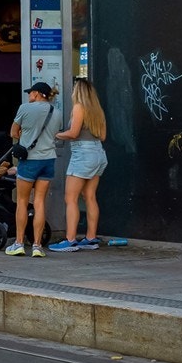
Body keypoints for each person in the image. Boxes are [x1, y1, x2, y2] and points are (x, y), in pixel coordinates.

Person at [50, 77, 108, 252]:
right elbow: (103, 136)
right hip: (98, 153)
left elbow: (74, 133)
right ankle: (91, 238)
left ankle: (70, 239)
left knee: (71, 198)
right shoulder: (98, 110)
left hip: (82, 154)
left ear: (78, 91)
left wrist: (56, 134)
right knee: (90, 197)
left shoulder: (78, 108)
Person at [6, 81, 59, 257]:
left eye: (30, 93)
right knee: (39, 202)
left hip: (29, 161)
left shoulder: (25, 108)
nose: (29, 96)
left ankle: (19, 243)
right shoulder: (56, 112)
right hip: (48, 160)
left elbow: (13, 132)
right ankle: (37, 245)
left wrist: (24, 134)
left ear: (37, 94)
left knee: (22, 201)